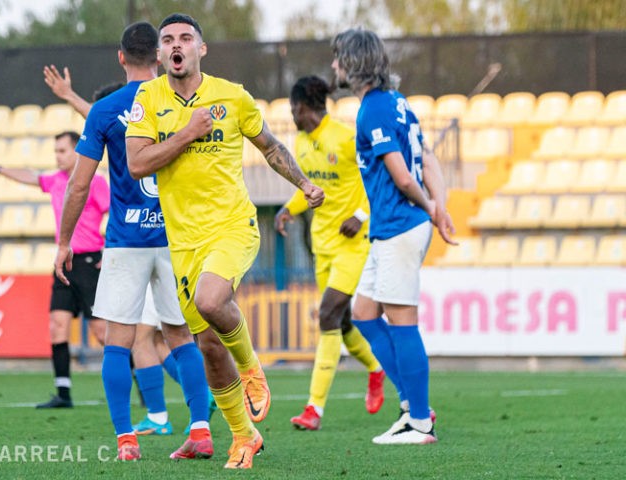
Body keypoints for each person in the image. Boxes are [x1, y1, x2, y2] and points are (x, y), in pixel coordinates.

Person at [125, 13, 325, 469]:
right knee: (210, 348)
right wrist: (188, 132)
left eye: (186, 39)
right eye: (168, 40)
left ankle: (253, 368)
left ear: (201, 49)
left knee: (214, 301)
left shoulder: (232, 96)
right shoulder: (148, 99)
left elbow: (271, 146)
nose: (177, 45)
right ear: (159, 54)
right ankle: (243, 436)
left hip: (232, 225)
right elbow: (137, 163)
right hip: (184, 241)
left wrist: (303, 184)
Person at [53, 21, 213, 463]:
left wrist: (64, 242)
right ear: (160, 56)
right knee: (181, 337)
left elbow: (80, 186)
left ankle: (127, 438)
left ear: (121, 58)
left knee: (118, 342)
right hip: (176, 238)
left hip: (126, 240)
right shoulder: (181, 102)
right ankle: (199, 428)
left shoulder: (106, 111)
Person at [330, 28, 457, 445]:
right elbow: (431, 158)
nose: (334, 66)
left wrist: (426, 206)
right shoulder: (399, 104)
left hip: (400, 227)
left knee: (403, 321)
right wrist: (438, 207)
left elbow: (404, 176)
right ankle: (411, 405)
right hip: (393, 227)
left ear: (353, 63)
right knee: (364, 311)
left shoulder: (373, 110)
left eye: (339, 59)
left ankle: (419, 421)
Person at [274, 75, 385, 432]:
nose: (291, 115)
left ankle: (313, 409)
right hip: (321, 246)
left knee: (326, 315)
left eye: (292, 109)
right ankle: (376, 368)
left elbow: (378, 180)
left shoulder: (345, 138)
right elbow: (309, 188)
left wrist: (361, 215)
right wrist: (289, 208)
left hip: (353, 244)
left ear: (301, 107)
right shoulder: (302, 142)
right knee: (343, 322)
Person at [0, 131, 109, 409]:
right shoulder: (55, 181)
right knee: (57, 326)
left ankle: (138, 381)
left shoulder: (95, 183)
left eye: (62, 150)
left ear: (77, 151)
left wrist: (109, 251)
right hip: (63, 264)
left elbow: (116, 214)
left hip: (89, 263)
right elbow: (30, 176)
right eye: (55, 151)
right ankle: (63, 393)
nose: (57, 156)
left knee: (101, 331)